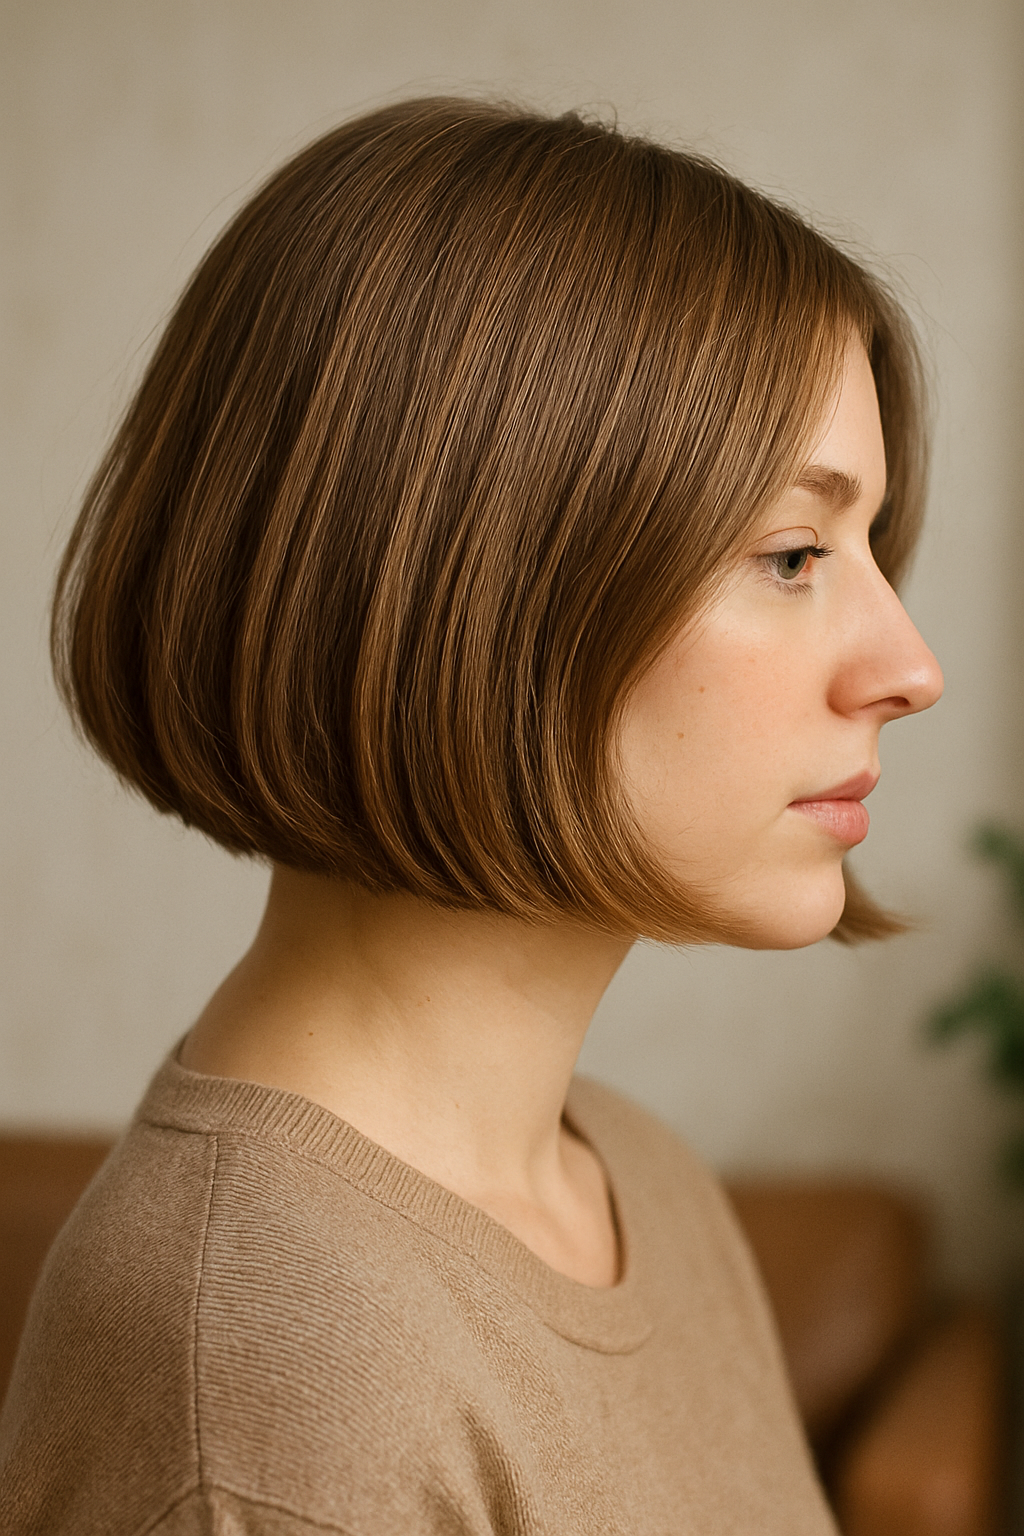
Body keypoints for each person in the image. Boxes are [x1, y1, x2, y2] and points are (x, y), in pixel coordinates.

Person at [0, 96, 942, 1534]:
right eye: (797, 552)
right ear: (472, 585)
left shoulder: (640, 1186)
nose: (908, 669)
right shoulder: (269, 1381)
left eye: (869, 545)